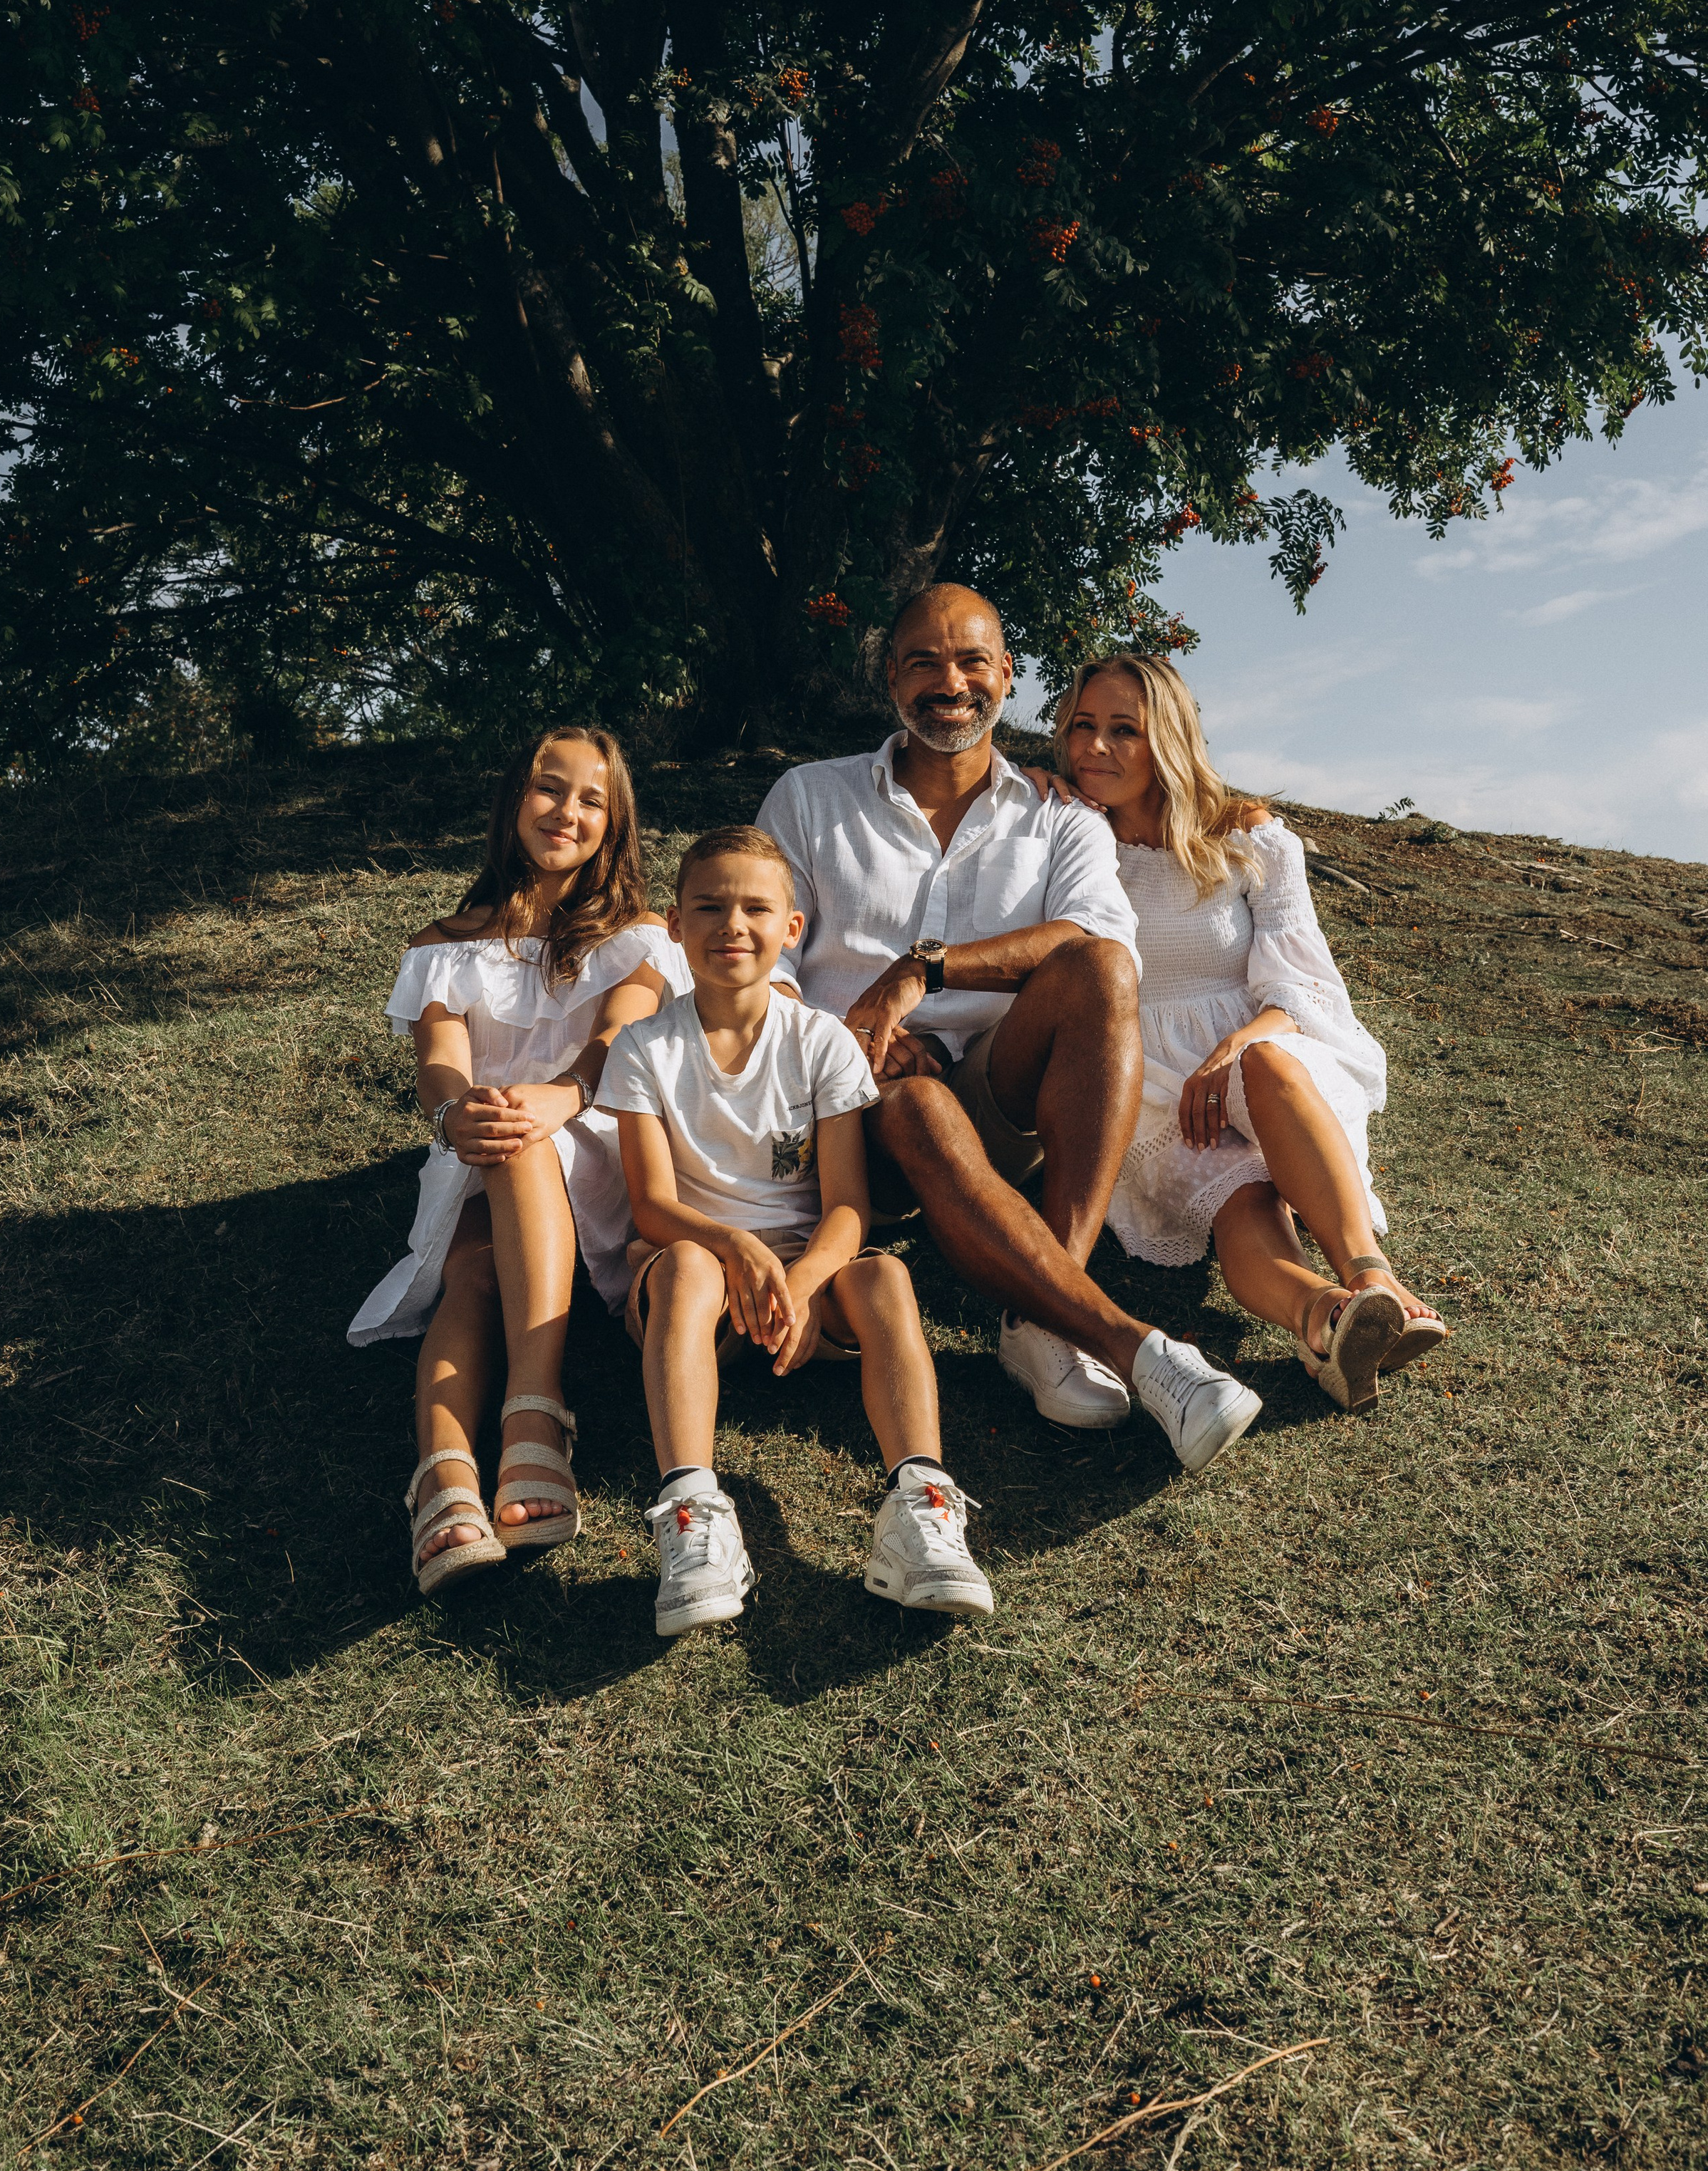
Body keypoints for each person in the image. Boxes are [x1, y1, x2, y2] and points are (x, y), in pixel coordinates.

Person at [755, 583, 1263, 1475]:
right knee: (911, 1104)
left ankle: (1038, 1326)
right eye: (923, 662)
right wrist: (849, 1034)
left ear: (1007, 675)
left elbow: (1097, 940)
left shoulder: (1059, 813)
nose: (948, 683)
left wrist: (923, 969)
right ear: (890, 678)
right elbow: (762, 964)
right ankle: (1129, 1344)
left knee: (1101, 971)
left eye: (970, 661)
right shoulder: (809, 797)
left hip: (1003, 1098)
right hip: (848, 1108)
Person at [600, 824, 993, 1634]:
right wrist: (737, 1247)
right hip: (695, 1281)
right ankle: (693, 1513)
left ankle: (921, 1511)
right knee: (684, 1268)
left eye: (754, 908)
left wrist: (806, 1279)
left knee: (884, 1275)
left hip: (802, 1287)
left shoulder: (819, 1041)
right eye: (708, 907)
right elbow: (649, 1206)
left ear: (792, 929)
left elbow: (847, 1204)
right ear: (674, 925)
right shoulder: (643, 1047)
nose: (731, 926)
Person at [1053, 654, 1449, 1409]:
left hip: (1259, 1046)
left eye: (1122, 731)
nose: (1094, 748)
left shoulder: (1246, 835)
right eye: (1082, 727)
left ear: (1166, 738)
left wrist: (1230, 1047)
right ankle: (1327, 1321)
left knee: (1265, 1063)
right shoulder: (1069, 836)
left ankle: (1371, 1277)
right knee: (1243, 1198)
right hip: (1146, 1078)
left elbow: (1298, 985)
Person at [348, 727, 688, 1595]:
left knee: (521, 1134)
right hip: (478, 1149)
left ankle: (533, 1408)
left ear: (614, 827)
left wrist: (558, 1096)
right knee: (472, 1271)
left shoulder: (638, 936)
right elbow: (439, 1060)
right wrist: (457, 1111)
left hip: (597, 1135)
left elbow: (618, 1038)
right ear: (512, 800)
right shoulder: (444, 943)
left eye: (590, 800)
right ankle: (448, 1472)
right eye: (547, 788)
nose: (565, 811)